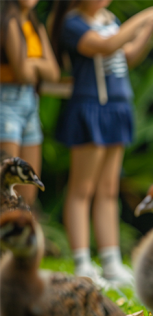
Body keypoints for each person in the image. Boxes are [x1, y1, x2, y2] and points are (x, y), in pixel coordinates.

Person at [51, 0, 153, 285]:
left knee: (108, 189)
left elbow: (125, 55)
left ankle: (111, 261)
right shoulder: (73, 23)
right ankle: (81, 261)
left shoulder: (110, 18)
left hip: (117, 108)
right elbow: (106, 46)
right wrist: (144, 17)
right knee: (82, 188)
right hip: (91, 107)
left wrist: (150, 30)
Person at [0, 0, 59, 205]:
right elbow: (23, 73)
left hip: (30, 103)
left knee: (29, 193)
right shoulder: (7, 20)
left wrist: (30, 63)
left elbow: (54, 72)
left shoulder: (34, 23)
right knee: (6, 191)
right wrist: (38, 64)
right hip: (6, 103)